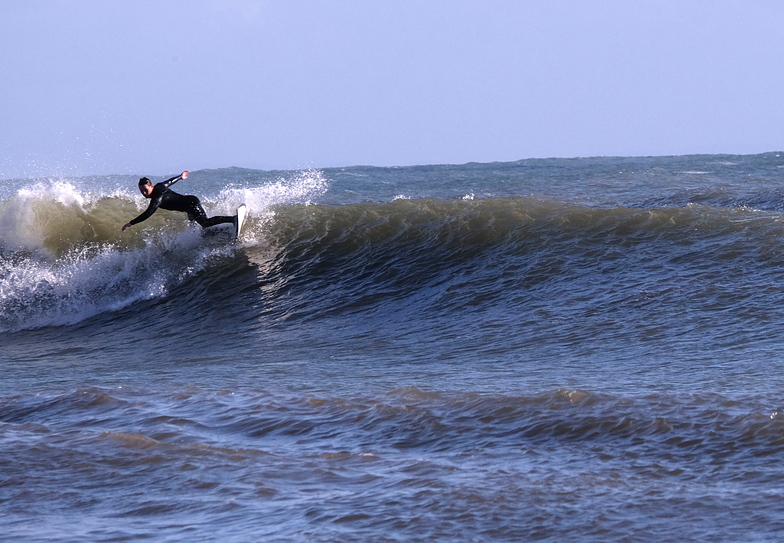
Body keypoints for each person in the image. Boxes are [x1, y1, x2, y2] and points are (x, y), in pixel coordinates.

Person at [122, 170, 236, 232]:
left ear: (151, 186)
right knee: (193, 225)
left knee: (205, 223)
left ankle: (232, 219)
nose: (143, 193)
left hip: (191, 204)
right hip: (189, 203)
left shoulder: (157, 198)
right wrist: (181, 176)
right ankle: (217, 231)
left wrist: (131, 223)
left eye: (145, 190)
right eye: (141, 191)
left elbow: (148, 213)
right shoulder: (160, 186)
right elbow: (170, 181)